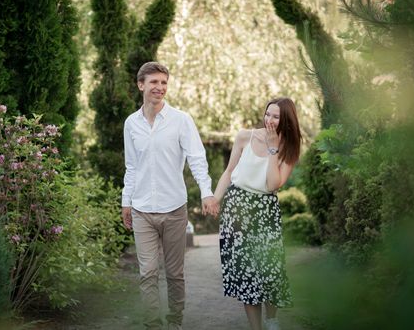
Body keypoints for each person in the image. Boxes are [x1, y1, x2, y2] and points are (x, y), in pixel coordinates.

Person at [121, 62, 219, 330]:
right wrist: (126, 201)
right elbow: (131, 166)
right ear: (141, 85)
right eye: (154, 82)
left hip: (174, 209)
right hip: (142, 210)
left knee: (175, 274)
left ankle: (174, 323)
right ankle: (152, 325)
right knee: (147, 273)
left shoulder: (181, 121)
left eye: (164, 83)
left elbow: (197, 159)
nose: (160, 88)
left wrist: (207, 193)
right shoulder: (131, 124)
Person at [213, 98, 301, 330]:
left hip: (265, 212)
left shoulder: (290, 147)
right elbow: (229, 171)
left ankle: (272, 321)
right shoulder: (245, 136)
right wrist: (215, 198)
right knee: (246, 274)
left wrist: (273, 149)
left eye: (276, 117)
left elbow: (273, 184)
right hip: (237, 209)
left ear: (287, 121)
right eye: (267, 114)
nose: (269, 120)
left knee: (270, 270)